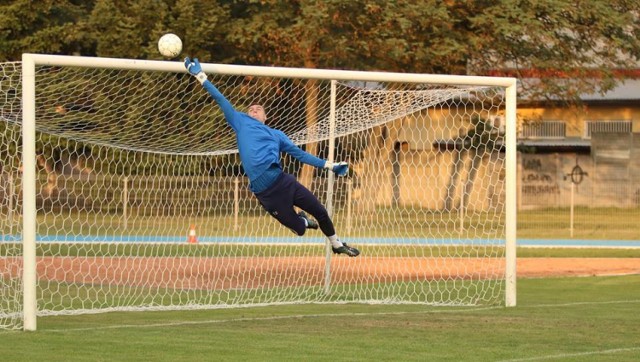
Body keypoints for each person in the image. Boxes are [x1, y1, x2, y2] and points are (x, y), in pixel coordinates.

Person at [184, 57, 359, 257]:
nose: (253, 109)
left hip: (283, 181)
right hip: (264, 192)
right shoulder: (240, 122)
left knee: (320, 211)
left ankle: (336, 244)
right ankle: (301, 221)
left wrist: (330, 165)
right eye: (250, 108)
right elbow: (220, 99)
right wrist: (200, 76)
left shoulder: (277, 135)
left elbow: (300, 155)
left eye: (258, 109)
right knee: (300, 230)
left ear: (266, 117)